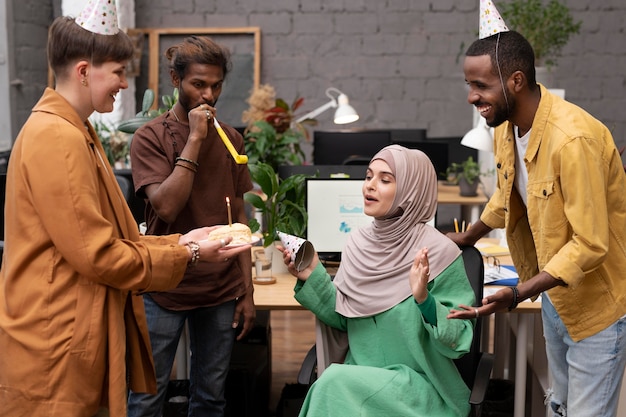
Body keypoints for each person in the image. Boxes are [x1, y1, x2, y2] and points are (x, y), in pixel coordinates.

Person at [0, 9, 251, 417]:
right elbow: (100, 254)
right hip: (55, 341)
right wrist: (186, 253)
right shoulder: (58, 138)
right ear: (84, 71)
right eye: (118, 71)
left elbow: (113, 237)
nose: (123, 82)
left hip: (67, 330)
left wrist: (181, 241)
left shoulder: (75, 130)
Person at [447, 29, 626, 417]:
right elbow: (507, 193)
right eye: (469, 84)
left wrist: (518, 292)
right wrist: (465, 238)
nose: (472, 96)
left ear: (516, 80)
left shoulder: (572, 140)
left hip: (597, 309)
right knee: (558, 405)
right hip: (555, 298)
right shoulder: (507, 128)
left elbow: (591, 243)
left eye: (481, 85)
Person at [279, 145, 477, 416]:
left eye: (385, 180)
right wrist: (311, 273)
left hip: (418, 388)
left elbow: (460, 339)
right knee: (335, 384)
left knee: (331, 384)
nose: (370, 186)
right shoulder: (357, 244)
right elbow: (344, 317)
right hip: (359, 377)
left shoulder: (439, 253)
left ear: (410, 191)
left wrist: (424, 300)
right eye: (369, 176)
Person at [127, 35, 255, 417]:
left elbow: (240, 220)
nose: (208, 95)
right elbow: (166, 206)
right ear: (175, 79)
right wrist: (196, 138)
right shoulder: (149, 138)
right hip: (163, 288)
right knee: (147, 399)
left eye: (216, 86)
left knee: (211, 399)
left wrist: (247, 291)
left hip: (219, 290)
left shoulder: (231, 138)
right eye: (198, 84)